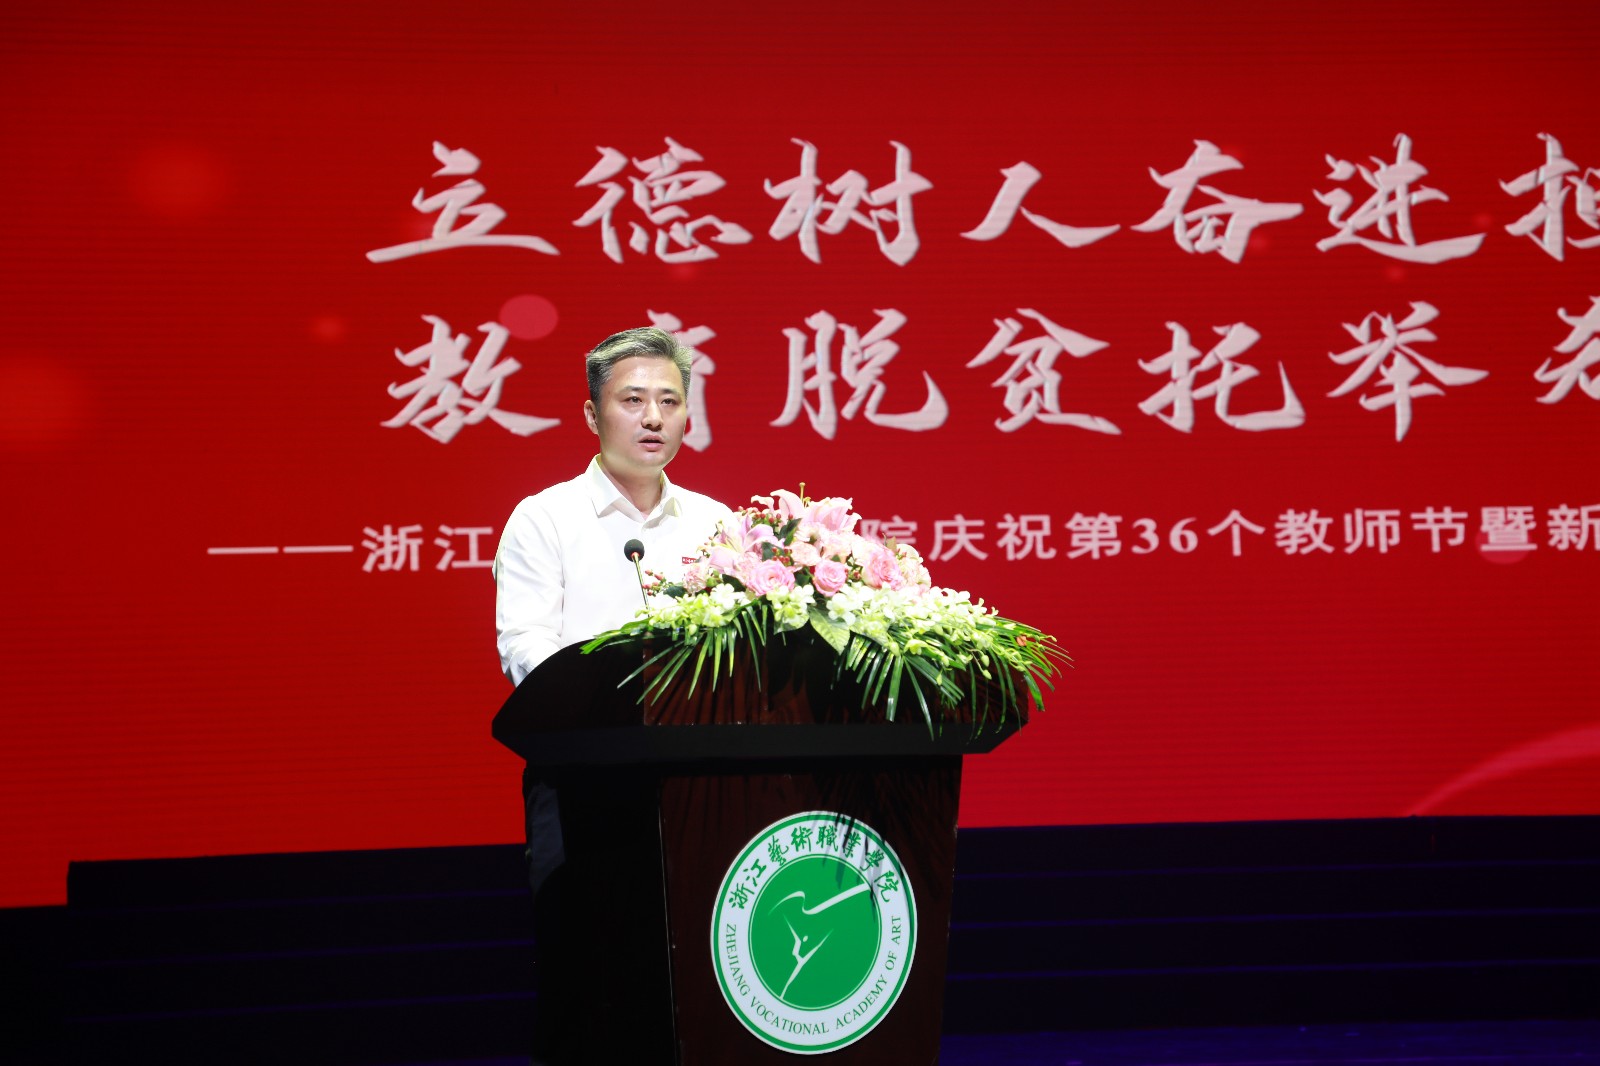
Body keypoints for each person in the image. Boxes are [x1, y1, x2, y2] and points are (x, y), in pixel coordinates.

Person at [492, 325, 730, 1062]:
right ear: (593, 415)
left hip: (698, 784)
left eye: (670, 400)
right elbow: (525, 646)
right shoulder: (546, 518)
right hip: (583, 781)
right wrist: (615, 703)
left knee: (691, 978)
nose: (654, 417)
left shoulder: (717, 524)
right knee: (589, 983)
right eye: (633, 400)